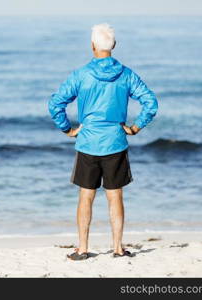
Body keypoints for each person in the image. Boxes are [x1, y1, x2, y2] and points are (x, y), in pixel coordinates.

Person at [48, 23, 158, 260]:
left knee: (86, 197)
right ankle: (118, 248)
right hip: (115, 143)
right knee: (115, 196)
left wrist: (68, 129)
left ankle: (83, 248)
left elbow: (55, 104)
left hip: (87, 142)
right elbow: (151, 102)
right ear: (114, 46)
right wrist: (135, 127)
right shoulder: (127, 74)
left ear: (92, 46)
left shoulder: (80, 75)